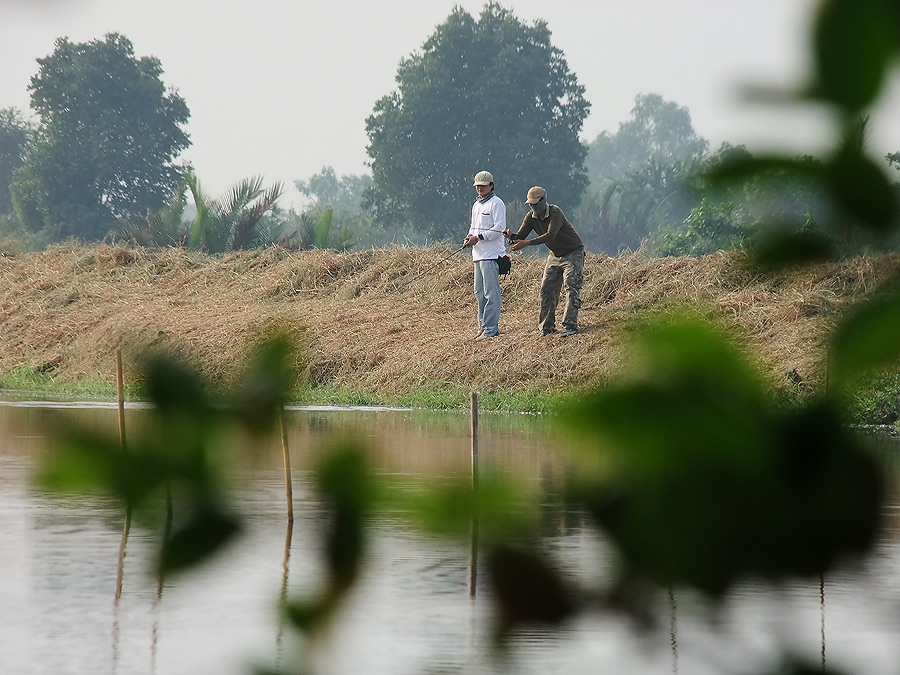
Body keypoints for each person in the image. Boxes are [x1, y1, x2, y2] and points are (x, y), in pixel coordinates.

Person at [506, 186, 585, 337]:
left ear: (543, 200)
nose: (533, 206)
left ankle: (570, 325)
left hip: (573, 252)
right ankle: (546, 327)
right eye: (530, 204)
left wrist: (526, 244)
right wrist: (511, 237)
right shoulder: (531, 217)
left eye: (535, 203)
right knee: (546, 289)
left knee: (571, 286)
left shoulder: (555, 212)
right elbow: (520, 236)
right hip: (555, 255)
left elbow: (550, 235)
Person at [463, 170, 507, 340]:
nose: (479, 189)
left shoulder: (497, 203)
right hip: (478, 255)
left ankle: (491, 328)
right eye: (477, 186)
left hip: (491, 255)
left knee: (491, 293)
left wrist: (478, 237)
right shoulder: (476, 205)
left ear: (491, 185)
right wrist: (469, 238)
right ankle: (483, 326)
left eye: (483, 185)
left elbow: (498, 229)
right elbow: (473, 227)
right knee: (479, 292)